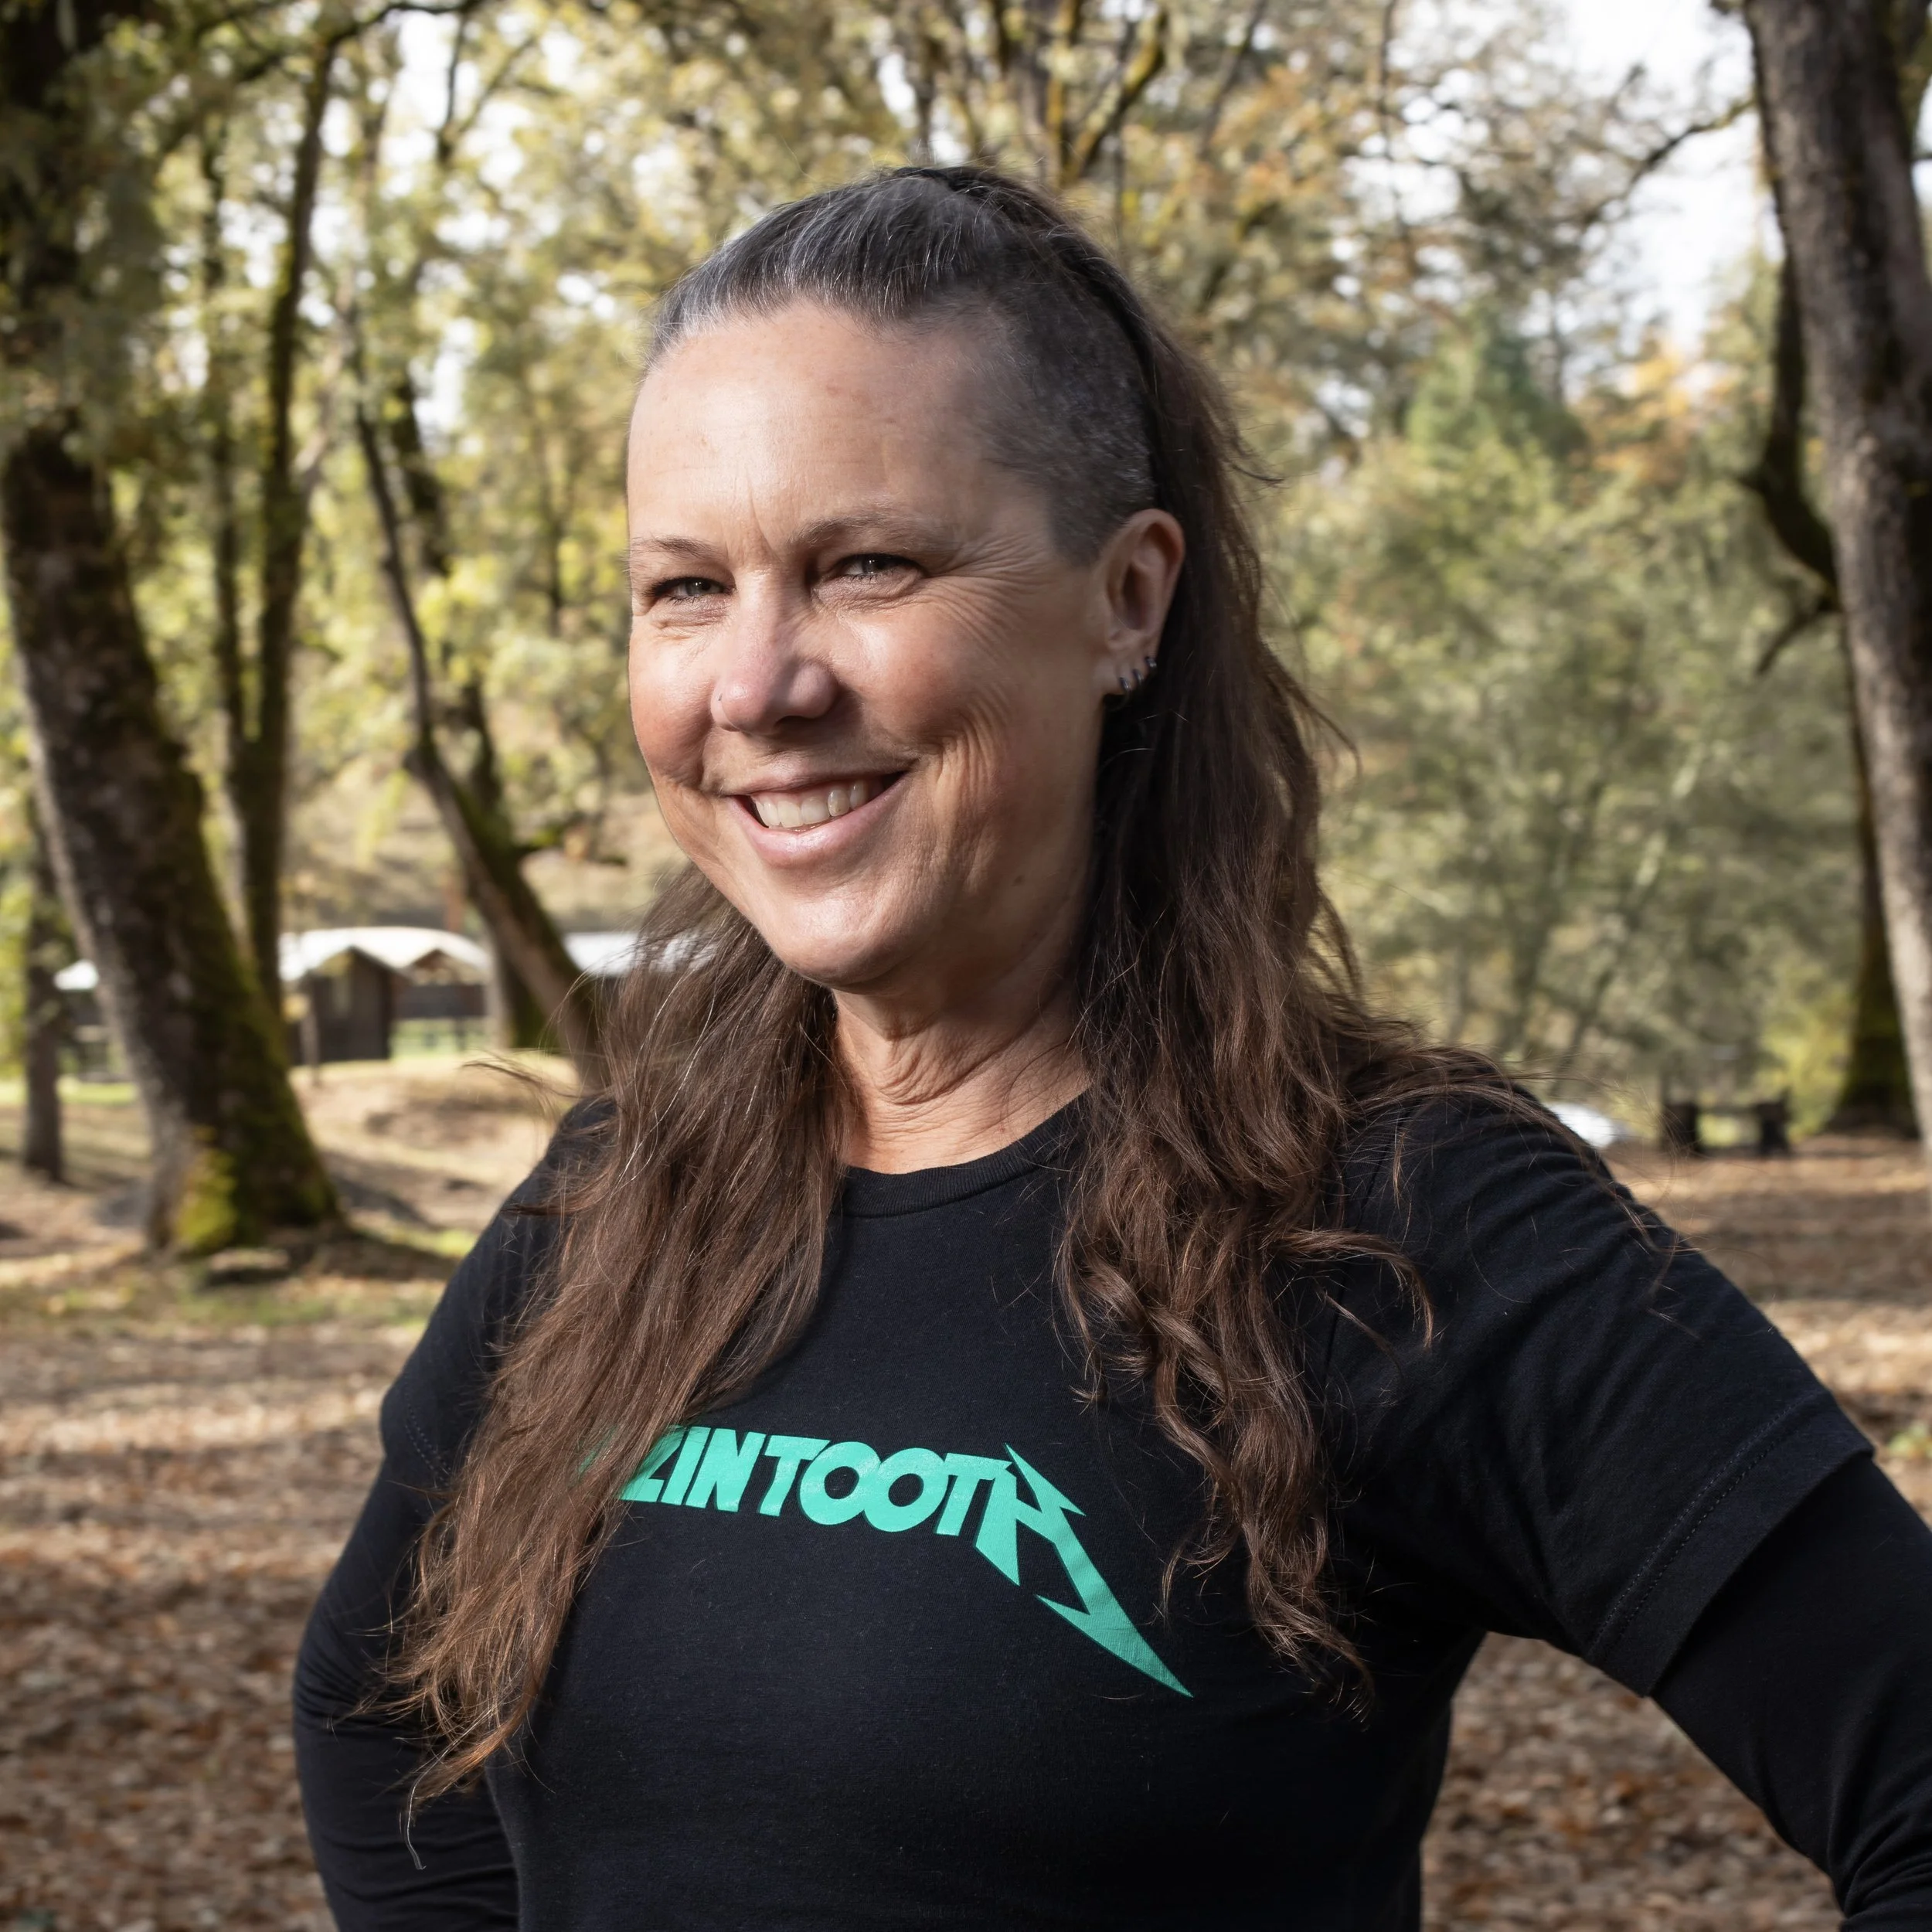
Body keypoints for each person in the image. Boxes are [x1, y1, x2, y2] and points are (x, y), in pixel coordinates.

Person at [294, 166, 1932, 1930]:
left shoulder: (1397, 1214)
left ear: (1127, 599)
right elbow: (374, 1711)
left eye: (865, 564)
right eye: (684, 587)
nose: (755, 683)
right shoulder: (617, 1201)